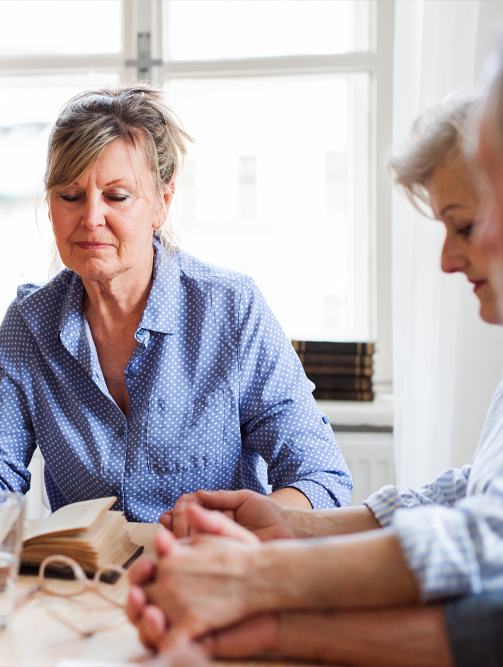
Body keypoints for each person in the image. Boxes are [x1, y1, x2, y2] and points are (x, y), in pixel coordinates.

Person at [0, 84, 352, 535]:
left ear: (161, 202)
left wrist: (244, 533)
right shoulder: (30, 323)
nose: (91, 218)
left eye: (117, 196)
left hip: (213, 580)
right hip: (80, 587)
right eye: (70, 196)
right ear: (49, 206)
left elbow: (319, 476)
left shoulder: (230, 309)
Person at [126, 92, 503, 667]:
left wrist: (258, 577)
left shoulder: (231, 305)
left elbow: (490, 541)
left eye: (467, 225)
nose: (448, 260)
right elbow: (473, 490)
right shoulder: (32, 320)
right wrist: (296, 528)